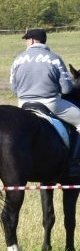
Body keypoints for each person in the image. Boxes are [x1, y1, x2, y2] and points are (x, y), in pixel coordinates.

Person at [11, 28, 80, 174]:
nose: (26, 43)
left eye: (26, 40)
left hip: (23, 103)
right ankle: (74, 162)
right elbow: (67, 89)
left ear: (32, 40)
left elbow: (14, 88)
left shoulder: (18, 59)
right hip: (51, 103)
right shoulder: (54, 58)